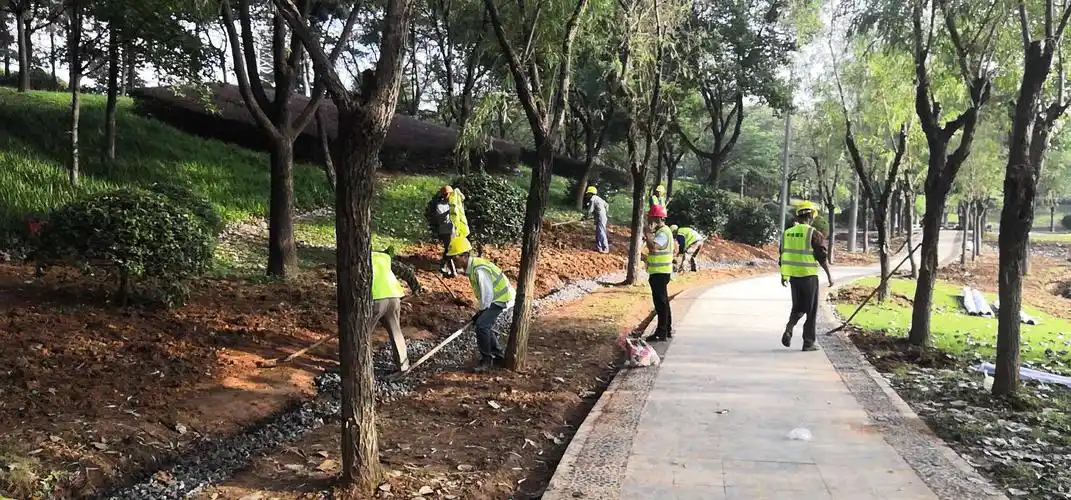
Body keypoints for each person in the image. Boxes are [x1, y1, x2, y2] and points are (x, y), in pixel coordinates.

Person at [446, 236, 516, 372]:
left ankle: (486, 359)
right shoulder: (473, 267)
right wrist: (481, 312)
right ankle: (498, 355)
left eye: (455, 258)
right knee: (485, 324)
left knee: (481, 326)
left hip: (501, 298)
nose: (454, 261)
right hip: (496, 298)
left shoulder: (479, 270)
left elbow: (487, 294)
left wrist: (481, 312)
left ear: (465, 256)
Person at [780, 201, 834, 352]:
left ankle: (789, 327)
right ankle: (808, 342)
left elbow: (783, 255)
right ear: (811, 216)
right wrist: (829, 276)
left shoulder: (787, 233)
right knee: (811, 310)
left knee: (798, 306)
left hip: (794, 278)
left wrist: (784, 275)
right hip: (809, 277)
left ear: (798, 215)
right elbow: (821, 256)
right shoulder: (814, 233)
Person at [372, 251, 414, 372]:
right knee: (396, 331)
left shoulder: (357, 261)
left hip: (376, 299)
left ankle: (356, 367)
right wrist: (415, 287)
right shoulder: (383, 257)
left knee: (363, 334)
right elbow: (406, 271)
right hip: (394, 297)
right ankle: (403, 366)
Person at [643, 204, 675, 342]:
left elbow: (654, 248)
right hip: (660, 272)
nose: (649, 219)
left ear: (657, 218)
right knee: (664, 302)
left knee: (660, 303)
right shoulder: (663, 231)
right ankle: (666, 329)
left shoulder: (663, 232)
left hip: (660, 273)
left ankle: (661, 332)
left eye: (650, 216)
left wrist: (648, 234)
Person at [425, 185, 456, 276]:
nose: (447, 196)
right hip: (445, 230)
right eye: (445, 194)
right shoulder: (440, 205)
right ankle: (452, 270)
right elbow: (439, 218)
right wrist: (448, 212)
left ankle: (443, 266)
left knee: (449, 250)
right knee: (449, 250)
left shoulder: (452, 204)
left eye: (448, 194)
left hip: (452, 229)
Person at [582, 185, 610, 253]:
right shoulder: (599, 198)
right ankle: (599, 248)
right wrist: (604, 212)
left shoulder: (592, 199)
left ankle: (605, 248)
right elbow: (607, 205)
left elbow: (590, 211)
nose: (587, 195)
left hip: (600, 218)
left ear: (591, 193)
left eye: (588, 194)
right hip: (601, 217)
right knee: (598, 232)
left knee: (601, 232)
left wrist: (585, 217)